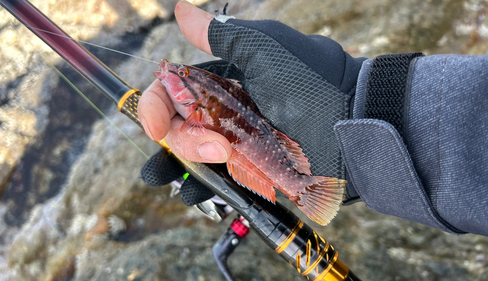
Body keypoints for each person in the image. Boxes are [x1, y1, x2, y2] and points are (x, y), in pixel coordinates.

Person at [138, 1, 488, 236]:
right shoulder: (197, 101)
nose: (170, 75)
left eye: (180, 74)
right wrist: (358, 106)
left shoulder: (195, 106)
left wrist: (355, 104)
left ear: (192, 96)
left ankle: (300, 186)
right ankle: (300, 183)